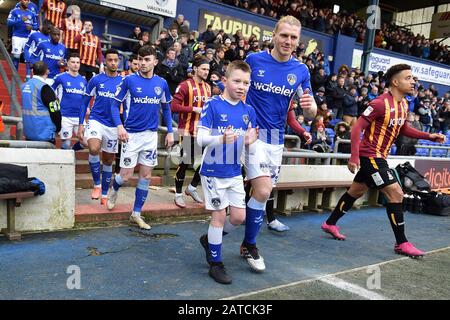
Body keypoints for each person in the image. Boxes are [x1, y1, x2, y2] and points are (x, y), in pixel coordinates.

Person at [321, 64, 446, 257]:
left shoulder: (404, 104)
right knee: (396, 193)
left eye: (413, 78)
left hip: (381, 156)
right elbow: (356, 128)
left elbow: (403, 129)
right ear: (395, 82)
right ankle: (401, 243)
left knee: (356, 191)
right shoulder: (379, 103)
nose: (413, 81)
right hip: (370, 156)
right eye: (408, 78)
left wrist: (429, 136)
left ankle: (329, 223)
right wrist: (354, 157)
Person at [240, 15, 316, 270]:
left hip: (276, 140)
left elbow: (311, 112)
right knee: (261, 191)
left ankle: (221, 239)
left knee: (262, 195)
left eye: (293, 37)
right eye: (284, 35)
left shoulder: (301, 71)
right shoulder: (253, 60)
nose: (288, 41)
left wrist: (310, 107)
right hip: (253, 136)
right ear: (273, 35)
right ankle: (250, 246)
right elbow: (234, 90)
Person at [197, 60, 258, 284]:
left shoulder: (249, 111)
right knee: (219, 216)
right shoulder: (212, 105)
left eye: (246, 83)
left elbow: (249, 142)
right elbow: (200, 139)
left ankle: (210, 241)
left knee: (239, 217)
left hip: (234, 172)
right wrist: (221, 138)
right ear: (225, 81)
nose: (241, 86)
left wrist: (250, 144)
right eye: (237, 81)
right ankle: (215, 263)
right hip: (213, 171)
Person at [106, 46, 174, 230]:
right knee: (126, 176)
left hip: (150, 136)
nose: (143, 63)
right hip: (131, 136)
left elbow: (166, 108)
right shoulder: (128, 80)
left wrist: (170, 131)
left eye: (146, 60)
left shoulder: (162, 83)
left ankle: (136, 213)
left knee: (146, 175)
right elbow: (114, 106)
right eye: (140, 59)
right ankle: (115, 186)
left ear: (155, 62)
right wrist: (119, 126)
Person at [78, 49, 123, 203]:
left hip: (113, 125)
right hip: (96, 120)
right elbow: (84, 102)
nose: (113, 63)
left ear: (119, 61)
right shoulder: (96, 80)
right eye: (110, 60)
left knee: (109, 160)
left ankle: (104, 194)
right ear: (105, 62)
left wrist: (124, 127)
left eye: (116, 60)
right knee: (94, 149)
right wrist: (81, 123)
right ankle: (96, 184)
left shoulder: (123, 82)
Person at [171, 56, 211, 208]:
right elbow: (173, 107)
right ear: (195, 68)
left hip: (203, 132)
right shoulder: (184, 85)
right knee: (184, 163)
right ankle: (178, 194)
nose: (206, 72)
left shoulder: (207, 88)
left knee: (206, 162)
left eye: (208, 69)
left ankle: (192, 188)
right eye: (203, 69)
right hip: (186, 130)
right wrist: (193, 109)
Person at [51, 52, 86, 149]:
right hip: (65, 116)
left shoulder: (83, 80)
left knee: (85, 143)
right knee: (65, 144)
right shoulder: (60, 77)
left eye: (78, 62)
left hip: (79, 117)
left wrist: (87, 107)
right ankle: (65, 160)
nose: (75, 64)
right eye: (73, 62)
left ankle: (71, 151)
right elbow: (49, 92)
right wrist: (55, 107)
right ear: (68, 63)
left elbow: (84, 97)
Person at [21, 61, 61, 142]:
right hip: (44, 132)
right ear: (47, 71)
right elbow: (55, 110)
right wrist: (58, 127)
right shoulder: (45, 88)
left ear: (33, 71)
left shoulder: (24, 86)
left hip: (28, 132)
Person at [7, 0, 38, 70]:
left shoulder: (31, 13)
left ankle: (27, 77)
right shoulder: (14, 11)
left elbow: (36, 26)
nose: (27, 2)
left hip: (28, 37)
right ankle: (15, 75)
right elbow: (9, 23)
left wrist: (32, 27)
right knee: (16, 56)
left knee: (28, 58)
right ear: (20, 1)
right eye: (25, 0)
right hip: (17, 36)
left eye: (28, 1)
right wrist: (21, 20)